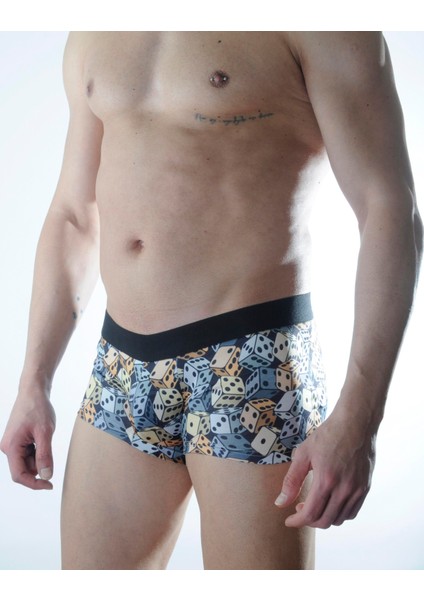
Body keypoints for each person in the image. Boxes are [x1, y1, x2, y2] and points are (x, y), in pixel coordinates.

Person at [0, 31, 422, 570]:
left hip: (251, 362)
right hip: (121, 366)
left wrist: (360, 420)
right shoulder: (94, 29)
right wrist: (34, 381)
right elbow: (74, 215)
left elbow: (389, 208)